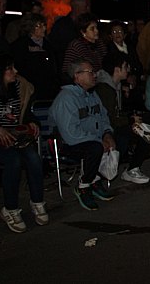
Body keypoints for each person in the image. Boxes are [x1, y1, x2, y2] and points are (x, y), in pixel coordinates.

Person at [49, 57, 116, 211]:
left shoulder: (92, 95)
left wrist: (107, 133)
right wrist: (99, 141)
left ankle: (95, 179)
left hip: (89, 139)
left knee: (118, 137)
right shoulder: (66, 98)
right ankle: (84, 185)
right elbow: (71, 134)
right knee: (95, 148)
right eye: (90, 72)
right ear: (77, 76)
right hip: (67, 144)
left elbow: (103, 116)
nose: (95, 75)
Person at [0, 53, 47, 233]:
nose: (15, 71)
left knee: (34, 158)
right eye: (10, 68)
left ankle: (37, 202)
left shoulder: (19, 88)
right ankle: (10, 208)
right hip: (0, 141)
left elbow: (26, 114)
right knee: (13, 161)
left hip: (16, 136)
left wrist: (32, 122)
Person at [95, 51, 150, 184]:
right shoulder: (105, 89)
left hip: (113, 125)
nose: (128, 69)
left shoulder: (116, 86)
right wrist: (131, 121)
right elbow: (110, 118)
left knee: (146, 129)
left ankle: (132, 168)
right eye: (125, 66)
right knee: (144, 134)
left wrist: (132, 118)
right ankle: (131, 169)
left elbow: (118, 113)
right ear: (117, 69)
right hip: (105, 130)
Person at [10, 13, 61, 100]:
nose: (44, 28)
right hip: (29, 90)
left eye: (44, 25)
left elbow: (54, 67)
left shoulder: (49, 46)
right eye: (39, 26)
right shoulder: (20, 45)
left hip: (48, 90)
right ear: (30, 27)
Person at [48, 0, 89, 66]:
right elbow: (54, 47)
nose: (87, 9)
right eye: (85, 7)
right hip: (67, 65)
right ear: (77, 8)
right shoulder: (61, 25)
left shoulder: (86, 23)